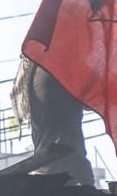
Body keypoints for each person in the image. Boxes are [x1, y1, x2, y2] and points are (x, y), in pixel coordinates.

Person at [11, 57, 96, 187]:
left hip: (47, 173)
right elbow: (95, 99)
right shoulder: (62, 69)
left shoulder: (39, 69)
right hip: (68, 177)